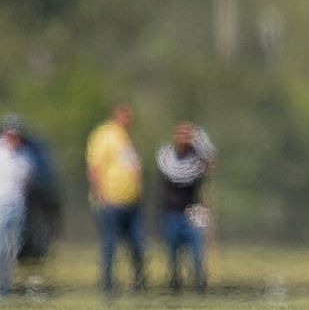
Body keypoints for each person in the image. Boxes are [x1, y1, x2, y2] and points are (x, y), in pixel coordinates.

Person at [86, 103, 146, 296]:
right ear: (116, 115)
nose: (129, 120)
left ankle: (139, 282)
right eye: (126, 115)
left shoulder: (126, 138)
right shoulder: (104, 135)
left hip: (131, 202)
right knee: (110, 244)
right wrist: (101, 194)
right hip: (110, 201)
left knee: (137, 244)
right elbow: (94, 167)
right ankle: (108, 284)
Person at [156, 122, 216, 294]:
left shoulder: (198, 160)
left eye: (188, 135)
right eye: (182, 134)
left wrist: (201, 142)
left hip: (194, 210)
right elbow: (169, 176)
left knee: (198, 253)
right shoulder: (166, 158)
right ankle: (175, 286)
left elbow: (210, 166)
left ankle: (200, 287)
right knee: (173, 254)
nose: (185, 138)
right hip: (172, 212)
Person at [0, 115, 34, 308]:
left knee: (10, 250)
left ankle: (4, 288)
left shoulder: (25, 156)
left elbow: (27, 181)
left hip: (16, 207)